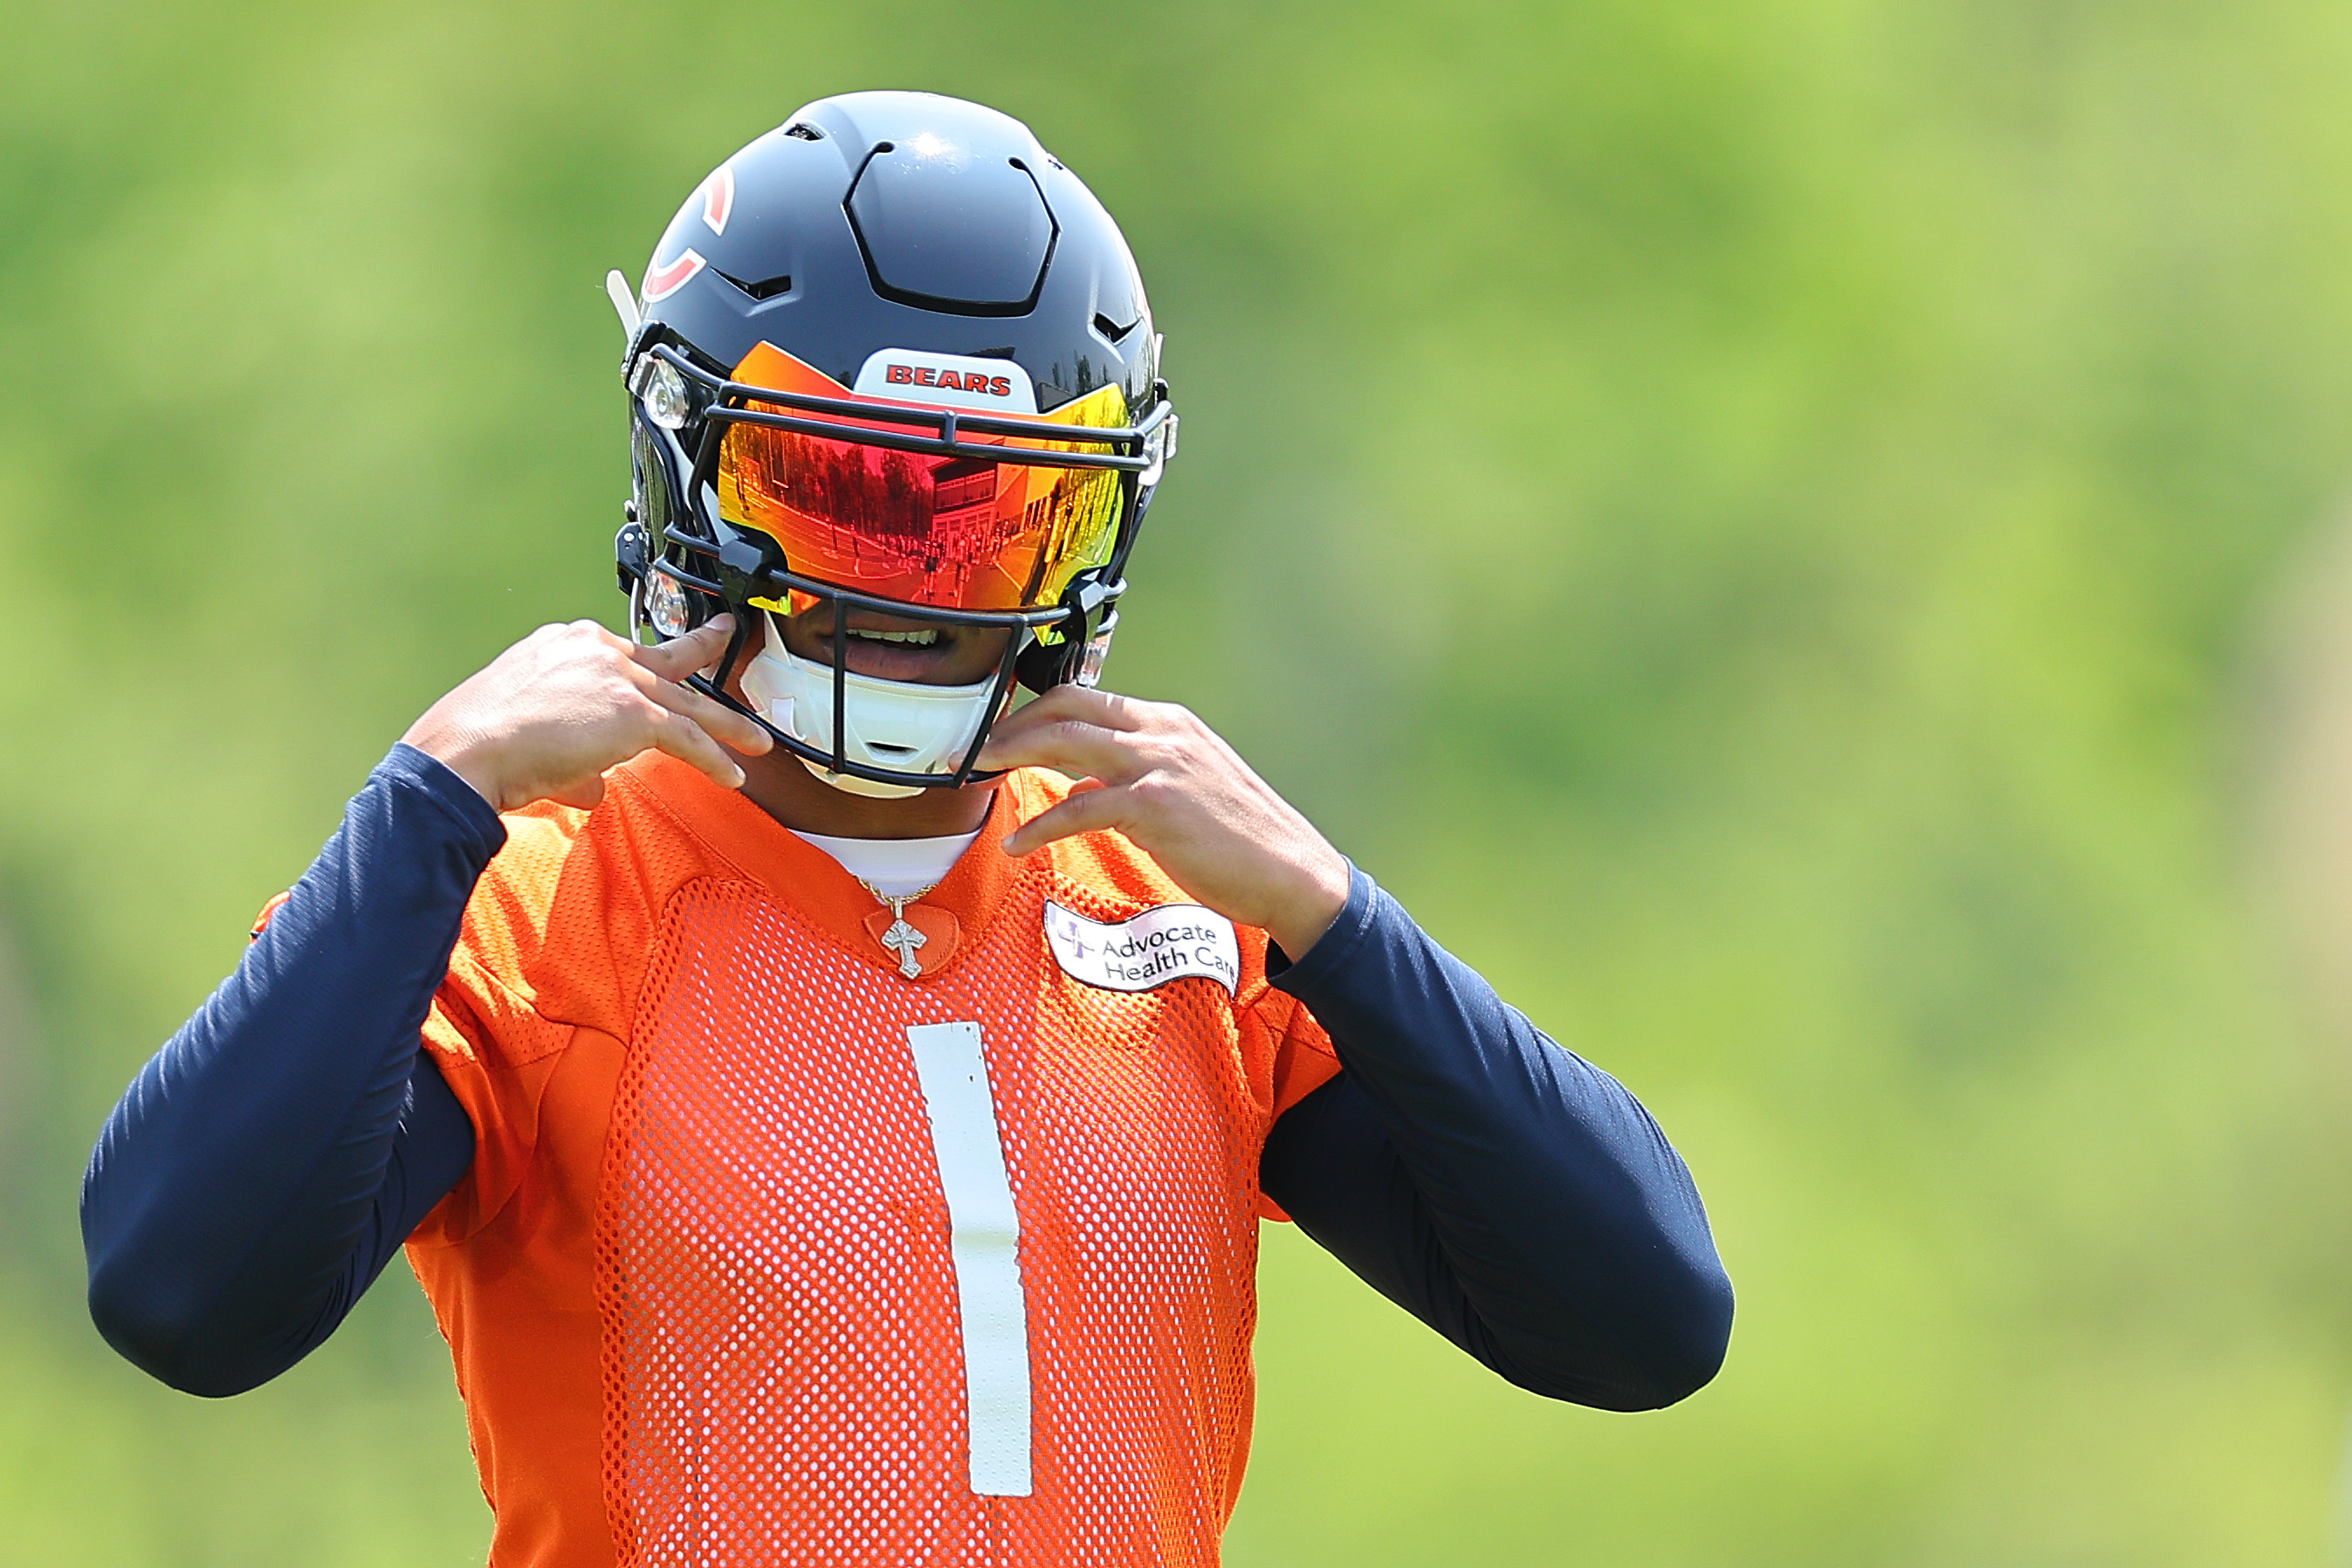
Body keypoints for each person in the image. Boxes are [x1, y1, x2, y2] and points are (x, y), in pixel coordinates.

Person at [79, 91, 1732, 1567]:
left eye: (988, 517)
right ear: (690, 473)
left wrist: (1335, 915)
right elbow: (183, 1296)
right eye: (837, 491)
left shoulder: (1189, 915)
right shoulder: (527, 902)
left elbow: (1642, 1323)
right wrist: (424, 803)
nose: (904, 590)